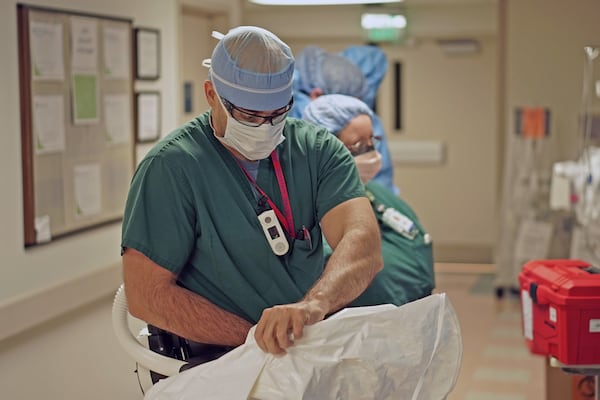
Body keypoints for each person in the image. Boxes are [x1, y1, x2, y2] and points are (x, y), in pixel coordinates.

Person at [121, 26, 383, 357]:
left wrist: (312, 307)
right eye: (249, 115)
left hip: (304, 351)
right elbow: (147, 295)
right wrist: (255, 339)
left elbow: (363, 244)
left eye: (277, 115)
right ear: (211, 94)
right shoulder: (172, 168)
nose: (264, 128)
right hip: (217, 360)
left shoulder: (317, 151)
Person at [302, 94, 435, 306]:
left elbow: (417, 245)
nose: (371, 154)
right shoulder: (307, 209)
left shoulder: (378, 195)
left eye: (372, 142)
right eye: (358, 147)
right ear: (324, 150)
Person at [290, 45, 398, 195]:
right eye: (355, 145)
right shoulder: (295, 126)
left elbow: (383, 187)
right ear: (316, 96)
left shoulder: (364, 120)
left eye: (372, 140)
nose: (370, 152)